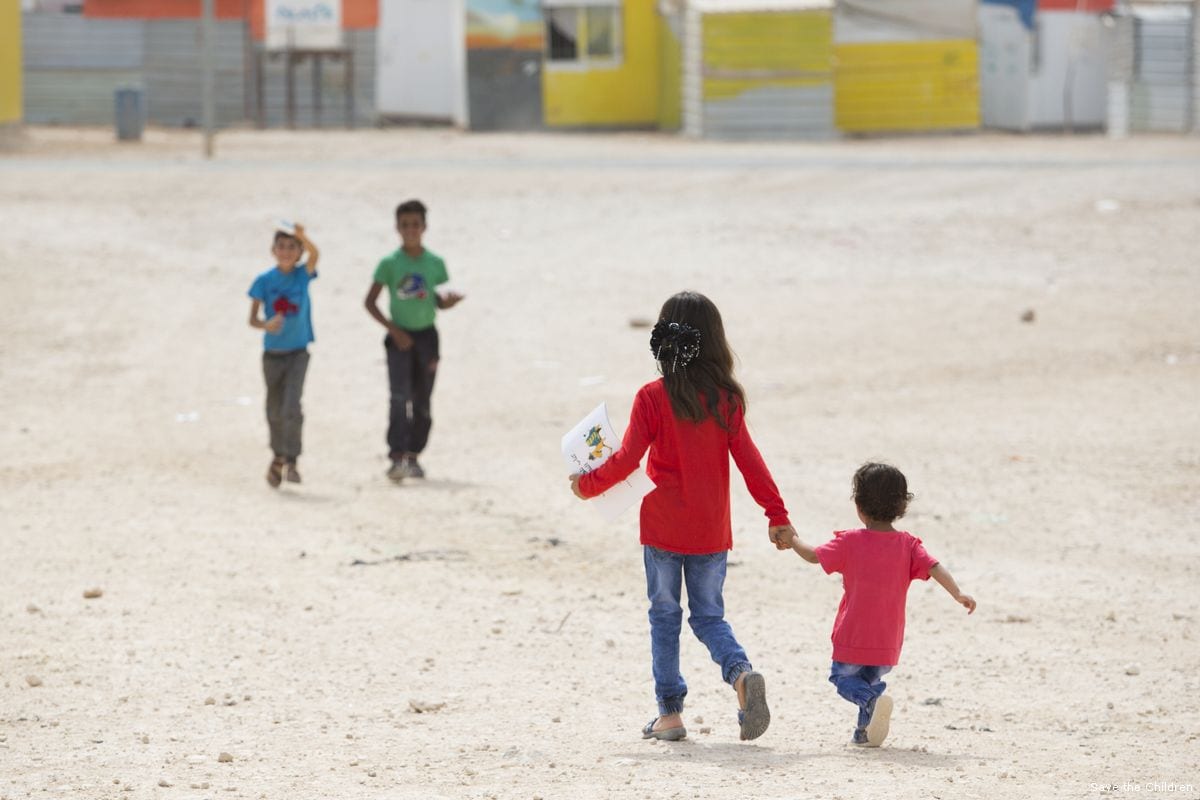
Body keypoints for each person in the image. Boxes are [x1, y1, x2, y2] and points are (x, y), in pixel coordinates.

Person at [569, 291, 795, 743]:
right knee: (710, 617)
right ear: (714, 341)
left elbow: (628, 459)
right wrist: (777, 514)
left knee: (665, 618)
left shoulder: (653, 396)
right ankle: (740, 675)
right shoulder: (726, 399)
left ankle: (669, 714)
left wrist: (587, 484)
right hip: (711, 532)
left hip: (662, 530)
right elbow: (751, 461)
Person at [774, 462, 976, 747]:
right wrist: (958, 593)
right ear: (901, 507)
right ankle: (864, 732)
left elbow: (811, 555)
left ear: (859, 506)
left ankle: (871, 702)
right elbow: (935, 567)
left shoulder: (850, 542)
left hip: (854, 635)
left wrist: (791, 537)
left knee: (843, 679)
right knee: (869, 681)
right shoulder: (908, 545)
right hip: (887, 639)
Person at [364, 200, 464, 482]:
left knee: (423, 400)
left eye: (415, 224)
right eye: (405, 225)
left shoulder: (435, 263)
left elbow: (437, 301)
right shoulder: (389, 264)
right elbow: (370, 302)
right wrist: (393, 330)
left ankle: (413, 455)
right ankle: (396, 456)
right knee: (398, 398)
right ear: (397, 227)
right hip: (399, 339)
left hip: (427, 338)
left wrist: (449, 303)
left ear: (424, 227)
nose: (410, 230)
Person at [247, 223, 320, 488]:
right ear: (273, 250)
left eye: (292, 247)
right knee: (274, 410)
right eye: (282, 246)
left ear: (299, 251)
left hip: (298, 352)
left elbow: (316, 256)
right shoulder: (264, 281)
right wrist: (266, 325)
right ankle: (277, 456)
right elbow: (252, 319)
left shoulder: (302, 276)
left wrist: (303, 235)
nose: (286, 251)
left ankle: (292, 458)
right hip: (272, 354)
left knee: (292, 406)